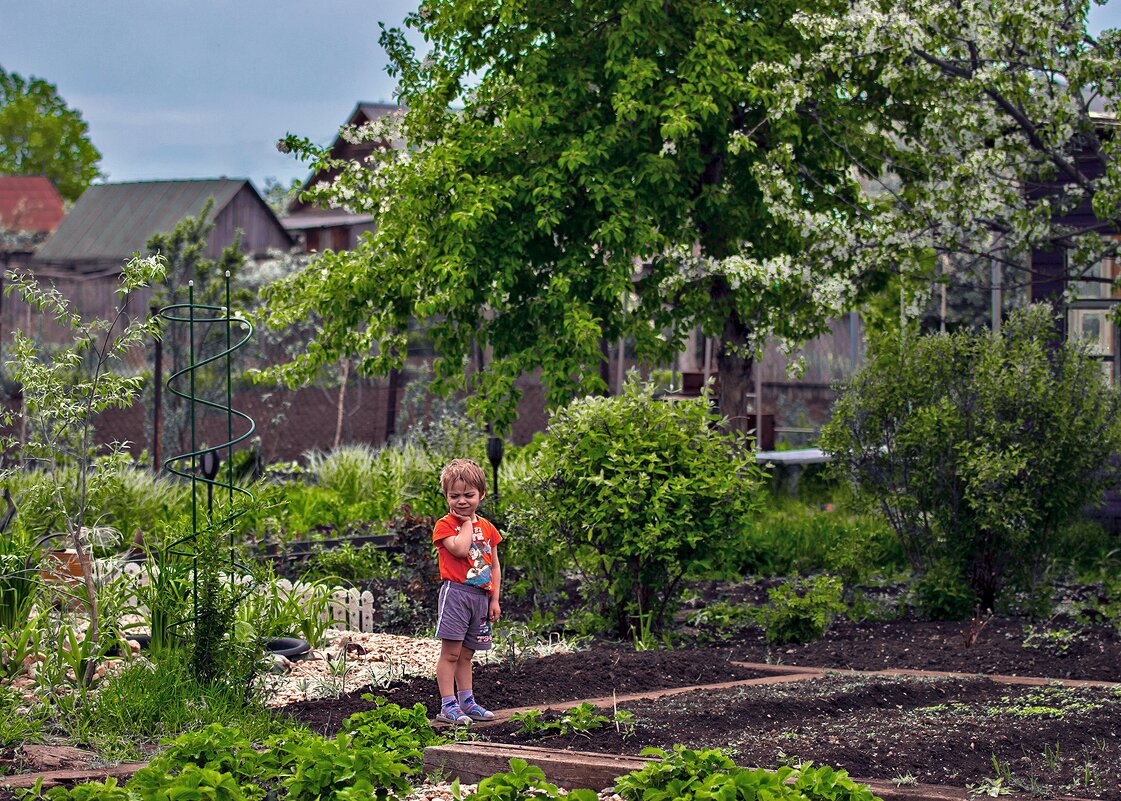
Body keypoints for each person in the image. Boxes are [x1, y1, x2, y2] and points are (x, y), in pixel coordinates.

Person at [431, 457, 502, 724]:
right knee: (450, 653)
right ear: (446, 496)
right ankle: (447, 705)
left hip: (480, 598)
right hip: (457, 595)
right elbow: (460, 549)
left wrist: (494, 599)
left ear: (481, 494)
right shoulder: (445, 525)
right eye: (455, 496)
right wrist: (469, 524)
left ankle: (467, 701)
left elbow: (494, 565)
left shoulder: (489, 528)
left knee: (467, 654)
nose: (462, 501)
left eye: (469, 495)